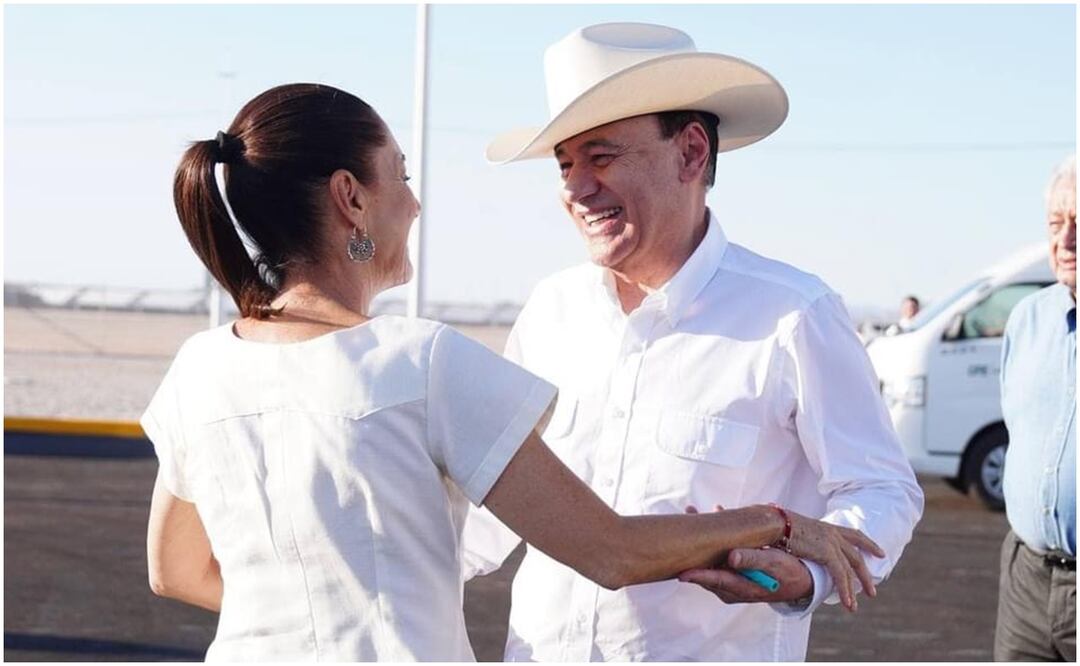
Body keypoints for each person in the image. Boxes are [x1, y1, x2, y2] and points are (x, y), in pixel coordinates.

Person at [143, 83, 882, 662]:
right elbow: (610, 551)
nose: (416, 202)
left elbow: (175, 572)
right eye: (401, 174)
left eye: (601, 157)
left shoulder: (198, 367)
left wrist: (340, 604)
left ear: (691, 154)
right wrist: (778, 524)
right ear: (351, 198)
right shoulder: (426, 359)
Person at [462, 23, 924, 661]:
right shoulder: (551, 311)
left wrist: (808, 574)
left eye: (600, 157)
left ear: (690, 153)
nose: (575, 188)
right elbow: (490, 509)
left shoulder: (794, 315)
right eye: (565, 165)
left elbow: (881, 490)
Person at [994, 155, 1076, 661]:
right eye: (1055, 223)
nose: (1065, 240)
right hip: (1026, 578)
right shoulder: (1026, 320)